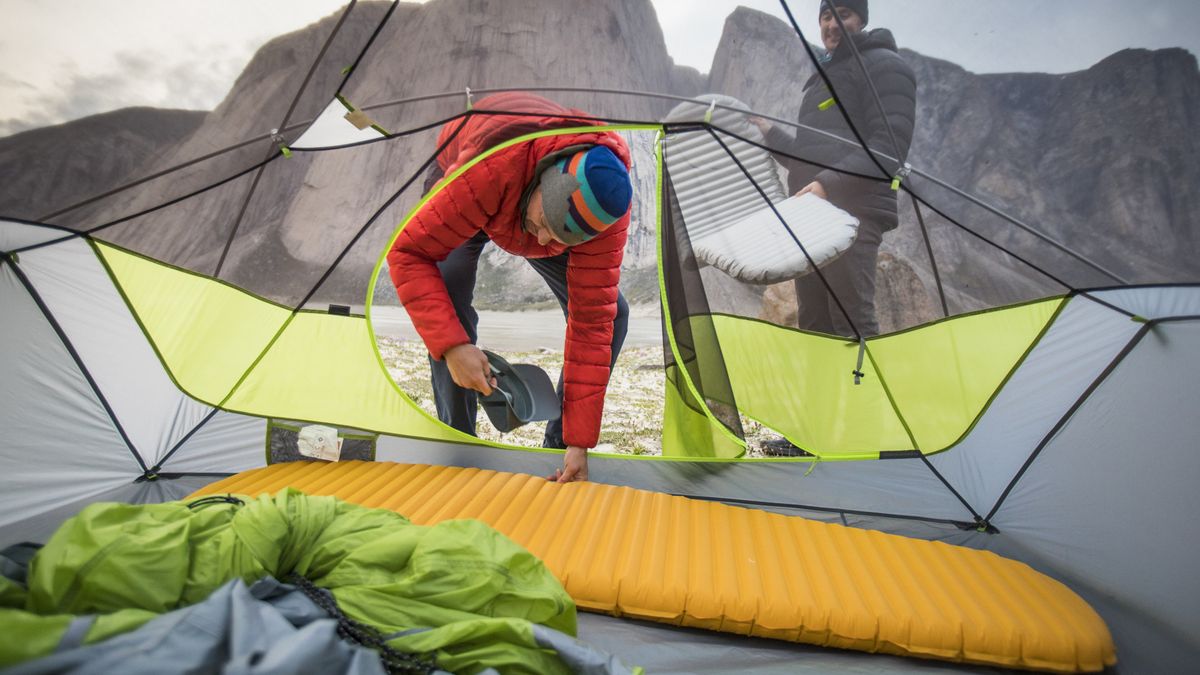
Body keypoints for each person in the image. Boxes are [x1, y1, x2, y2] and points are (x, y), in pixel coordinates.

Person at [387, 92, 633, 483]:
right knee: (446, 295)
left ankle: (558, 450)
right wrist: (453, 347)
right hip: (472, 170)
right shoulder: (489, 169)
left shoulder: (606, 212)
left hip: (517, 198)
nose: (544, 242)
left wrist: (579, 442)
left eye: (559, 238)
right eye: (543, 223)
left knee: (613, 315)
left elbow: (591, 323)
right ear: (542, 181)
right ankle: (460, 444)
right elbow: (410, 253)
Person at [756, 0, 916, 338]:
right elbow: (809, 156)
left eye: (843, 15)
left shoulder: (885, 65)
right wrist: (767, 131)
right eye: (826, 16)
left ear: (861, 20)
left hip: (851, 214)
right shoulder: (822, 81)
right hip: (812, 214)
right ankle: (822, 393)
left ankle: (864, 392)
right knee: (813, 323)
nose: (832, 25)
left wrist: (826, 185)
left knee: (851, 324)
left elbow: (889, 148)